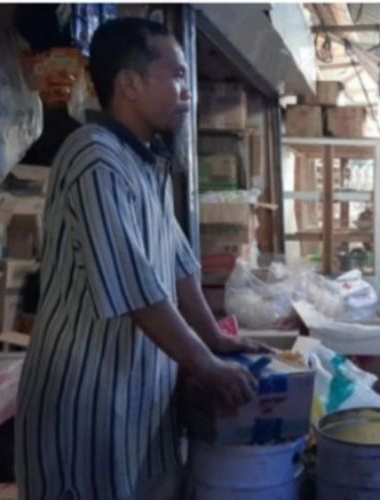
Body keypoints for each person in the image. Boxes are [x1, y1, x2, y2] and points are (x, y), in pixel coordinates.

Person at [15, 19, 267, 500]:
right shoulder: (94, 157)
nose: (186, 93)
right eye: (176, 76)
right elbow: (136, 289)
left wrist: (215, 339)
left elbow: (178, 266)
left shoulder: (143, 164)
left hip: (140, 399)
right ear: (129, 84)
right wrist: (207, 365)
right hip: (86, 401)